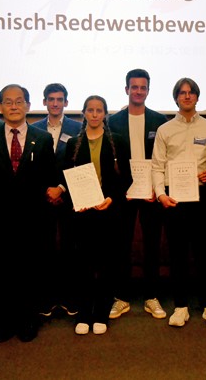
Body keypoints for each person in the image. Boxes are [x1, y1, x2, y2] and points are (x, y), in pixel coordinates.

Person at [0, 84, 61, 343]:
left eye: (19, 101)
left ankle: (28, 320)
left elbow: (49, 175)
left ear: (28, 105)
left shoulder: (42, 138)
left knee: (30, 270)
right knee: (2, 270)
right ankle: (5, 321)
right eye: (8, 102)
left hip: (33, 218)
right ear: (0, 107)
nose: (14, 106)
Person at [151, 78, 206, 327]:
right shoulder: (165, 129)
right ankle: (180, 306)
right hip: (174, 199)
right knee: (177, 255)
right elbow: (157, 166)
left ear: (197, 97)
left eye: (191, 92)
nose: (187, 96)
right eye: (182, 93)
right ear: (176, 98)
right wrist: (161, 194)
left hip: (203, 198)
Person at [63, 95, 132, 335]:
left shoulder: (118, 142)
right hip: (83, 215)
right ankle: (84, 314)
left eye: (99, 110)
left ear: (105, 114)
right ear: (83, 113)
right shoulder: (74, 143)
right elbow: (67, 178)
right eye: (90, 110)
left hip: (109, 212)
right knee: (83, 265)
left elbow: (127, 178)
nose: (94, 114)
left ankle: (101, 314)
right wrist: (77, 201)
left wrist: (112, 198)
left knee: (106, 265)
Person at [107, 69, 168, 320]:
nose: (138, 91)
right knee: (121, 244)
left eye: (143, 87)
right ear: (127, 90)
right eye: (134, 87)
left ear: (148, 91)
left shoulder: (159, 120)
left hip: (152, 191)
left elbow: (164, 158)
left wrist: (157, 187)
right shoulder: (113, 121)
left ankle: (151, 296)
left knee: (152, 244)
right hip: (124, 193)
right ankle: (121, 298)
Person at [32, 83, 82, 317]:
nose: (55, 103)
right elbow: (32, 166)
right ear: (44, 102)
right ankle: (47, 299)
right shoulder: (33, 129)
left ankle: (70, 298)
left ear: (66, 102)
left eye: (59, 99)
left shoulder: (78, 128)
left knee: (70, 248)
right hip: (42, 199)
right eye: (51, 99)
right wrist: (47, 190)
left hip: (69, 197)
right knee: (45, 249)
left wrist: (61, 188)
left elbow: (78, 163)